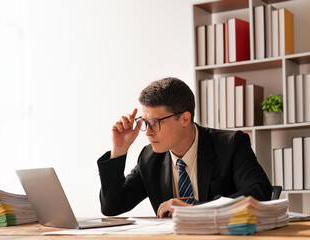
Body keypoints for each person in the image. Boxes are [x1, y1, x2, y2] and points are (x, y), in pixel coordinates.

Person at [97, 77, 272, 218]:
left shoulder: (231, 144)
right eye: (144, 122)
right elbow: (112, 207)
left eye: (154, 123)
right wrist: (119, 149)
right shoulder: (149, 158)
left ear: (185, 119)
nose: (148, 133)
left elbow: (259, 192)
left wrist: (195, 210)